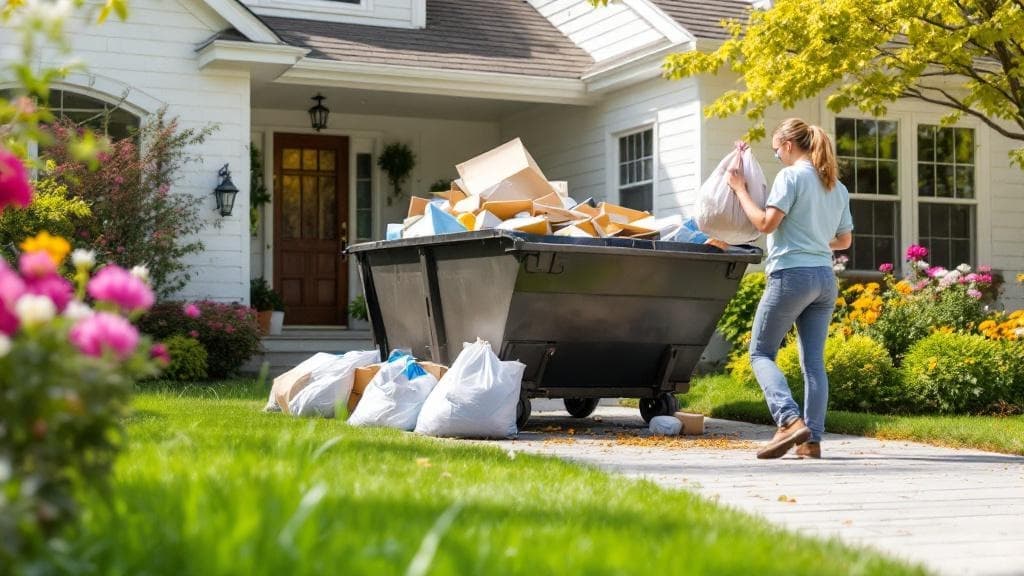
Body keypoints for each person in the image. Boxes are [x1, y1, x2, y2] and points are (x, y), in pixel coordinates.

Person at [726, 118, 853, 460]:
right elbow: (844, 240)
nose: (777, 156)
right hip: (824, 279)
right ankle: (811, 443)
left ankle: (788, 420)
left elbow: (765, 224)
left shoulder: (790, 177)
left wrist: (739, 189)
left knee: (760, 353)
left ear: (788, 145)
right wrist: (813, 239)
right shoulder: (836, 187)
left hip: (791, 275)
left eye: (776, 150)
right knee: (813, 363)